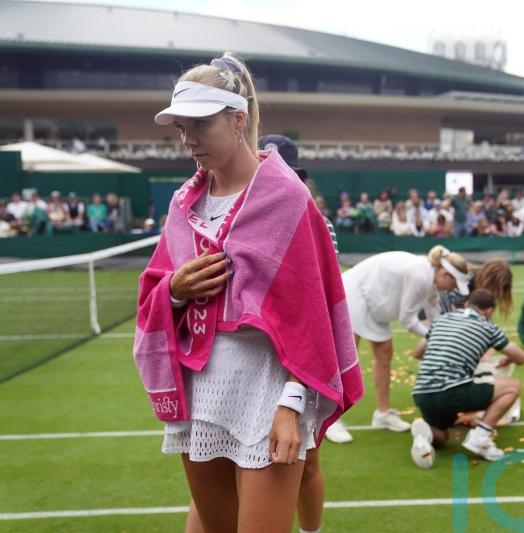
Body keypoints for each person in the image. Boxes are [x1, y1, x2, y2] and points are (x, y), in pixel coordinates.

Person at [133, 53, 363, 533]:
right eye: (180, 128)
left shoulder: (287, 200)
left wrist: (293, 403)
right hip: (199, 390)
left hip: (268, 390)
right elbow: (155, 287)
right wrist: (174, 290)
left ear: (238, 119)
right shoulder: (183, 204)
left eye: (199, 124)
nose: (189, 139)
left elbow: (312, 317)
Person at [257, 133, 339, 533]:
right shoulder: (240, 215)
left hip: (300, 360)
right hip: (248, 361)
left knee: (306, 463)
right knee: (222, 465)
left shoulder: (315, 222)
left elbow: (318, 306)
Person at [330, 246, 471, 443]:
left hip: (377, 301)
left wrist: (443, 334)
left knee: (384, 354)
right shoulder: (420, 275)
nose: (451, 289)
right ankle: (330, 419)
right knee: (346, 356)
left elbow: (434, 314)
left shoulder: (431, 280)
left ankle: (383, 414)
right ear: (445, 273)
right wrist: (433, 336)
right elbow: (408, 320)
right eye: (453, 283)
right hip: (356, 292)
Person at [409, 289, 524, 467]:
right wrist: (508, 357)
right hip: (452, 391)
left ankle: (425, 435)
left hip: (422, 393)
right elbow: (522, 358)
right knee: (513, 386)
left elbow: (418, 353)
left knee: (442, 437)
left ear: (467, 304)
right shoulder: (488, 327)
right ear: (489, 311)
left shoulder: (442, 320)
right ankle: (480, 437)